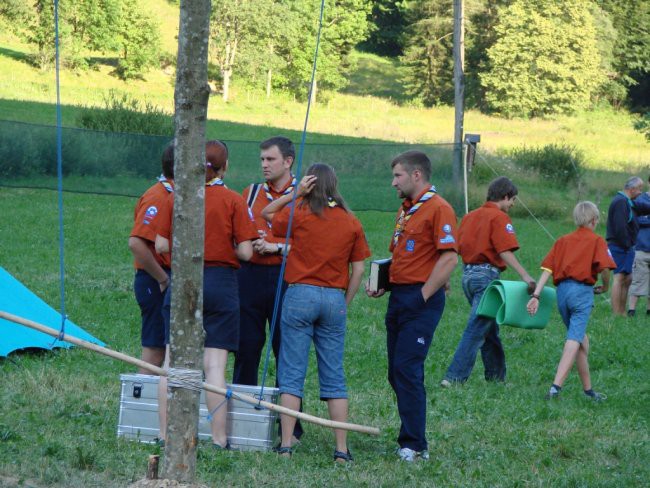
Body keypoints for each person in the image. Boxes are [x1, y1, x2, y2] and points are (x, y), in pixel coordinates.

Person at [261, 163, 370, 463]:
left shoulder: (301, 213)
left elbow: (267, 213)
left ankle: (285, 445)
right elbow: (359, 268)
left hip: (299, 294)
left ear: (310, 184)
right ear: (335, 186)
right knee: (334, 374)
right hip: (334, 298)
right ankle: (341, 449)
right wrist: (344, 301)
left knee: (292, 372)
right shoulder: (350, 221)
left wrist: (294, 194)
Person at [154, 140, 258, 449]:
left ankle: (164, 435)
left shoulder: (178, 197)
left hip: (184, 279)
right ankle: (219, 438)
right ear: (224, 167)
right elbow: (247, 252)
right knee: (214, 366)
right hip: (220, 283)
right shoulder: (232, 200)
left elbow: (160, 245)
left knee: (171, 361)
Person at [366, 150, 458, 463]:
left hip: (421, 300)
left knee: (407, 369)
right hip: (399, 296)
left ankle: (416, 446)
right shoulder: (407, 209)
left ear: (416, 175)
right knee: (396, 372)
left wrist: (422, 296)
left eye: (398, 176)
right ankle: (409, 439)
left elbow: (448, 258)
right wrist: (384, 281)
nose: (393, 183)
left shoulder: (439, 208)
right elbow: (410, 256)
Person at [441, 177, 535, 386]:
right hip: (486, 278)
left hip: (467, 277)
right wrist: (525, 276)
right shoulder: (499, 218)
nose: (512, 205)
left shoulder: (469, 217)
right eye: (513, 200)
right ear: (505, 196)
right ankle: (454, 377)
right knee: (476, 327)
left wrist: (446, 278)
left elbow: (452, 250)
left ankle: (496, 377)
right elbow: (504, 250)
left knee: (489, 328)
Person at [527, 201, 616, 401]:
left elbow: (547, 270)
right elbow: (605, 268)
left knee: (581, 340)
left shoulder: (562, 240)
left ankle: (588, 390)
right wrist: (605, 286)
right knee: (574, 339)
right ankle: (555, 388)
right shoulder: (597, 240)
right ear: (594, 220)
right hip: (582, 293)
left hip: (562, 294)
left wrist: (536, 296)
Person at [128, 141, 175, 373]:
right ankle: (139, 405)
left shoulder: (173, 193)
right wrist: (163, 280)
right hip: (154, 280)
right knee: (155, 353)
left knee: (168, 352)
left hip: (162, 279)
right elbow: (136, 243)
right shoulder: (159, 196)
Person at [606, 176, 645, 316]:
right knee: (619, 277)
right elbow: (620, 228)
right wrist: (627, 245)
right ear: (632, 189)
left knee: (627, 278)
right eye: (639, 189)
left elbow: (644, 207)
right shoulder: (620, 202)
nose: (641, 192)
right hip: (620, 246)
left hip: (627, 247)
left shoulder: (629, 202)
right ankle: (617, 313)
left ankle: (622, 311)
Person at [627, 181, 650, 317]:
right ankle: (631, 309)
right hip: (642, 248)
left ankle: (648, 310)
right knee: (638, 279)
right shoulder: (640, 200)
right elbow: (636, 220)